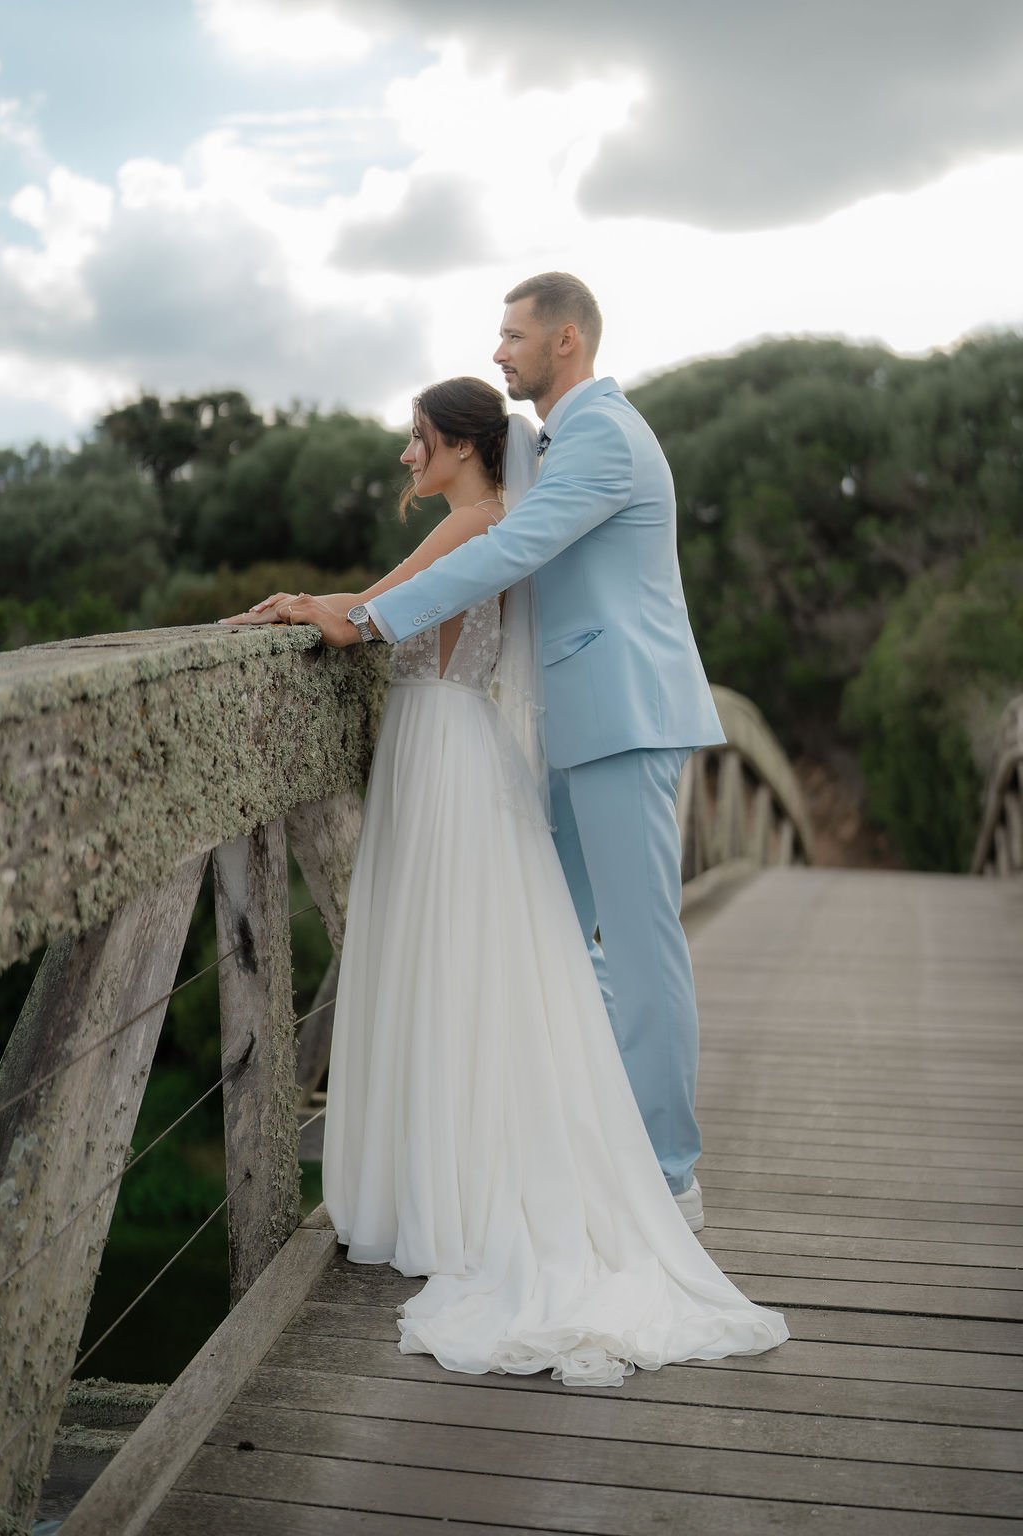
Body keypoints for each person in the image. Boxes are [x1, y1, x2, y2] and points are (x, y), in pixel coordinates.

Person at [222, 375, 787, 1387]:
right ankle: (478, 1160)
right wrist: (345, 606)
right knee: (492, 965)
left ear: (461, 446)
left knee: (455, 964)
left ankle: (470, 1181)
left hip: (442, 756)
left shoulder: (482, 523)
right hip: (459, 750)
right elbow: (394, 595)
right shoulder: (492, 514)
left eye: (419, 438)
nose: (406, 455)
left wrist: (332, 611)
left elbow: (389, 601)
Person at [300, 273, 724, 1234]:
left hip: (624, 715)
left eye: (512, 335)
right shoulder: (554, 440)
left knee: (639, 951)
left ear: (565, 340)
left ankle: (666, 1177)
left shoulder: (604, 436)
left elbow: (509, 544)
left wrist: (367, 621)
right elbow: (477, 501)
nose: (499, 352)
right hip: (578, 720)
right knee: (559, 944)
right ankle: (577, 1142)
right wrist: (338, 597)